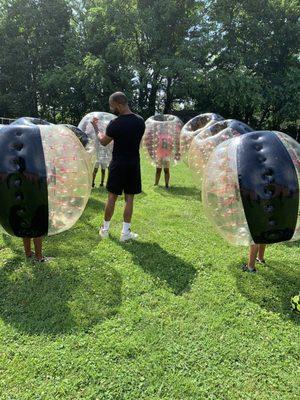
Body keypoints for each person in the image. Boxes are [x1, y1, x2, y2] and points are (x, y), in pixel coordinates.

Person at [91, 92, 145, 241]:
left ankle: (105, 230)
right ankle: (125, 233)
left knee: (112, 197)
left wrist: (96, 127)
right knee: (129, 198)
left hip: (118, 164)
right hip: (133, 163)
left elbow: (103, 141)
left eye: (112, 105)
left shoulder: (116, 123)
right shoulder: (140, 121)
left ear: (119, 104)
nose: (111, 108)